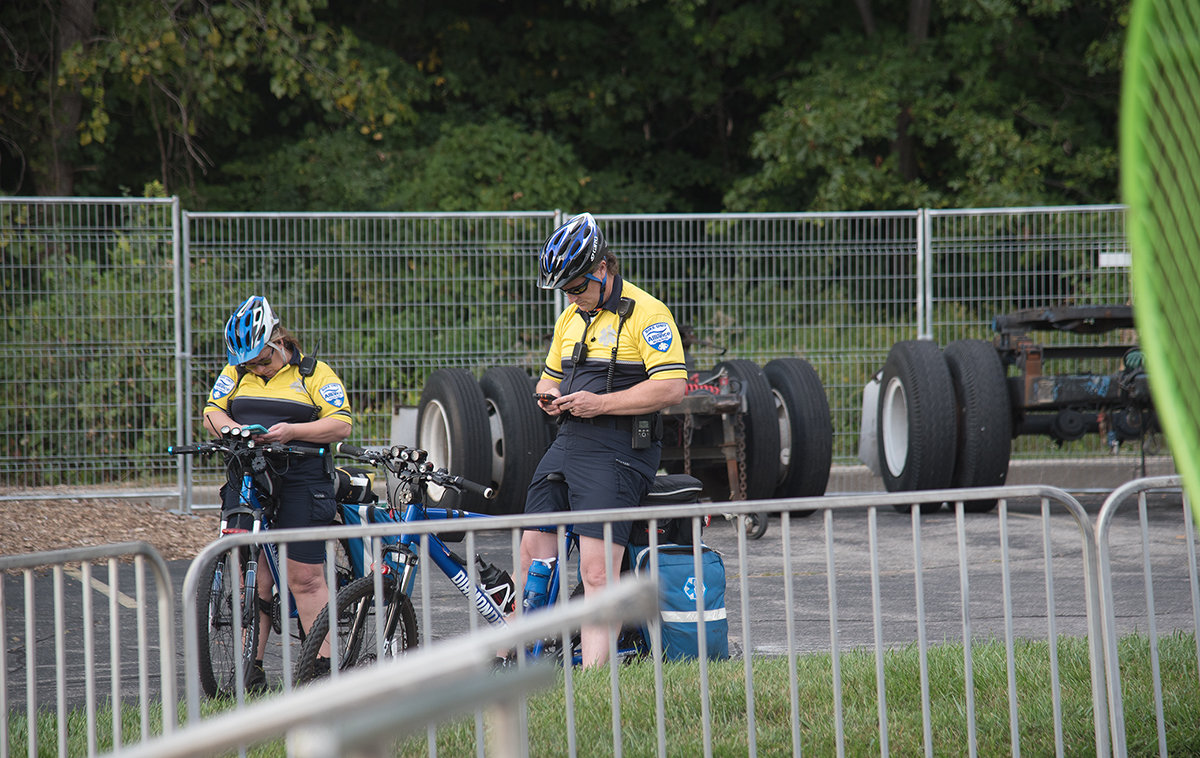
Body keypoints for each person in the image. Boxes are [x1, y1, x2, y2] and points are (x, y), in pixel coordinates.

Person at [520, 212, 687, 667]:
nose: (570, 299)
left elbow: (672, 386)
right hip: (569, 441)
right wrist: (547, 397)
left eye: (576, 287)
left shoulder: (647, 312)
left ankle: (595, 684)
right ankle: (511, 663)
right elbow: (547, 379)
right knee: (532, 553)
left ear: (601, 269)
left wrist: (601, 404)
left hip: (619, 450)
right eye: (564, 292)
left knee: (597, 572)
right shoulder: (571, 318)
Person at [203, 295, 352, 689]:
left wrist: (292, 430)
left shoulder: (314, 373)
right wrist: (231, 430)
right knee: (251, 575)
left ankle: (323, 671)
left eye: (262, 361)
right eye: (249, 364)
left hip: (302, 477)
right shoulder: (236, 371)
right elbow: (211, 411)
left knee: (304, 577)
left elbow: (340, 425)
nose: (256, 368)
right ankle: (248, 670)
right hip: (249, 474)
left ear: (277, 340)